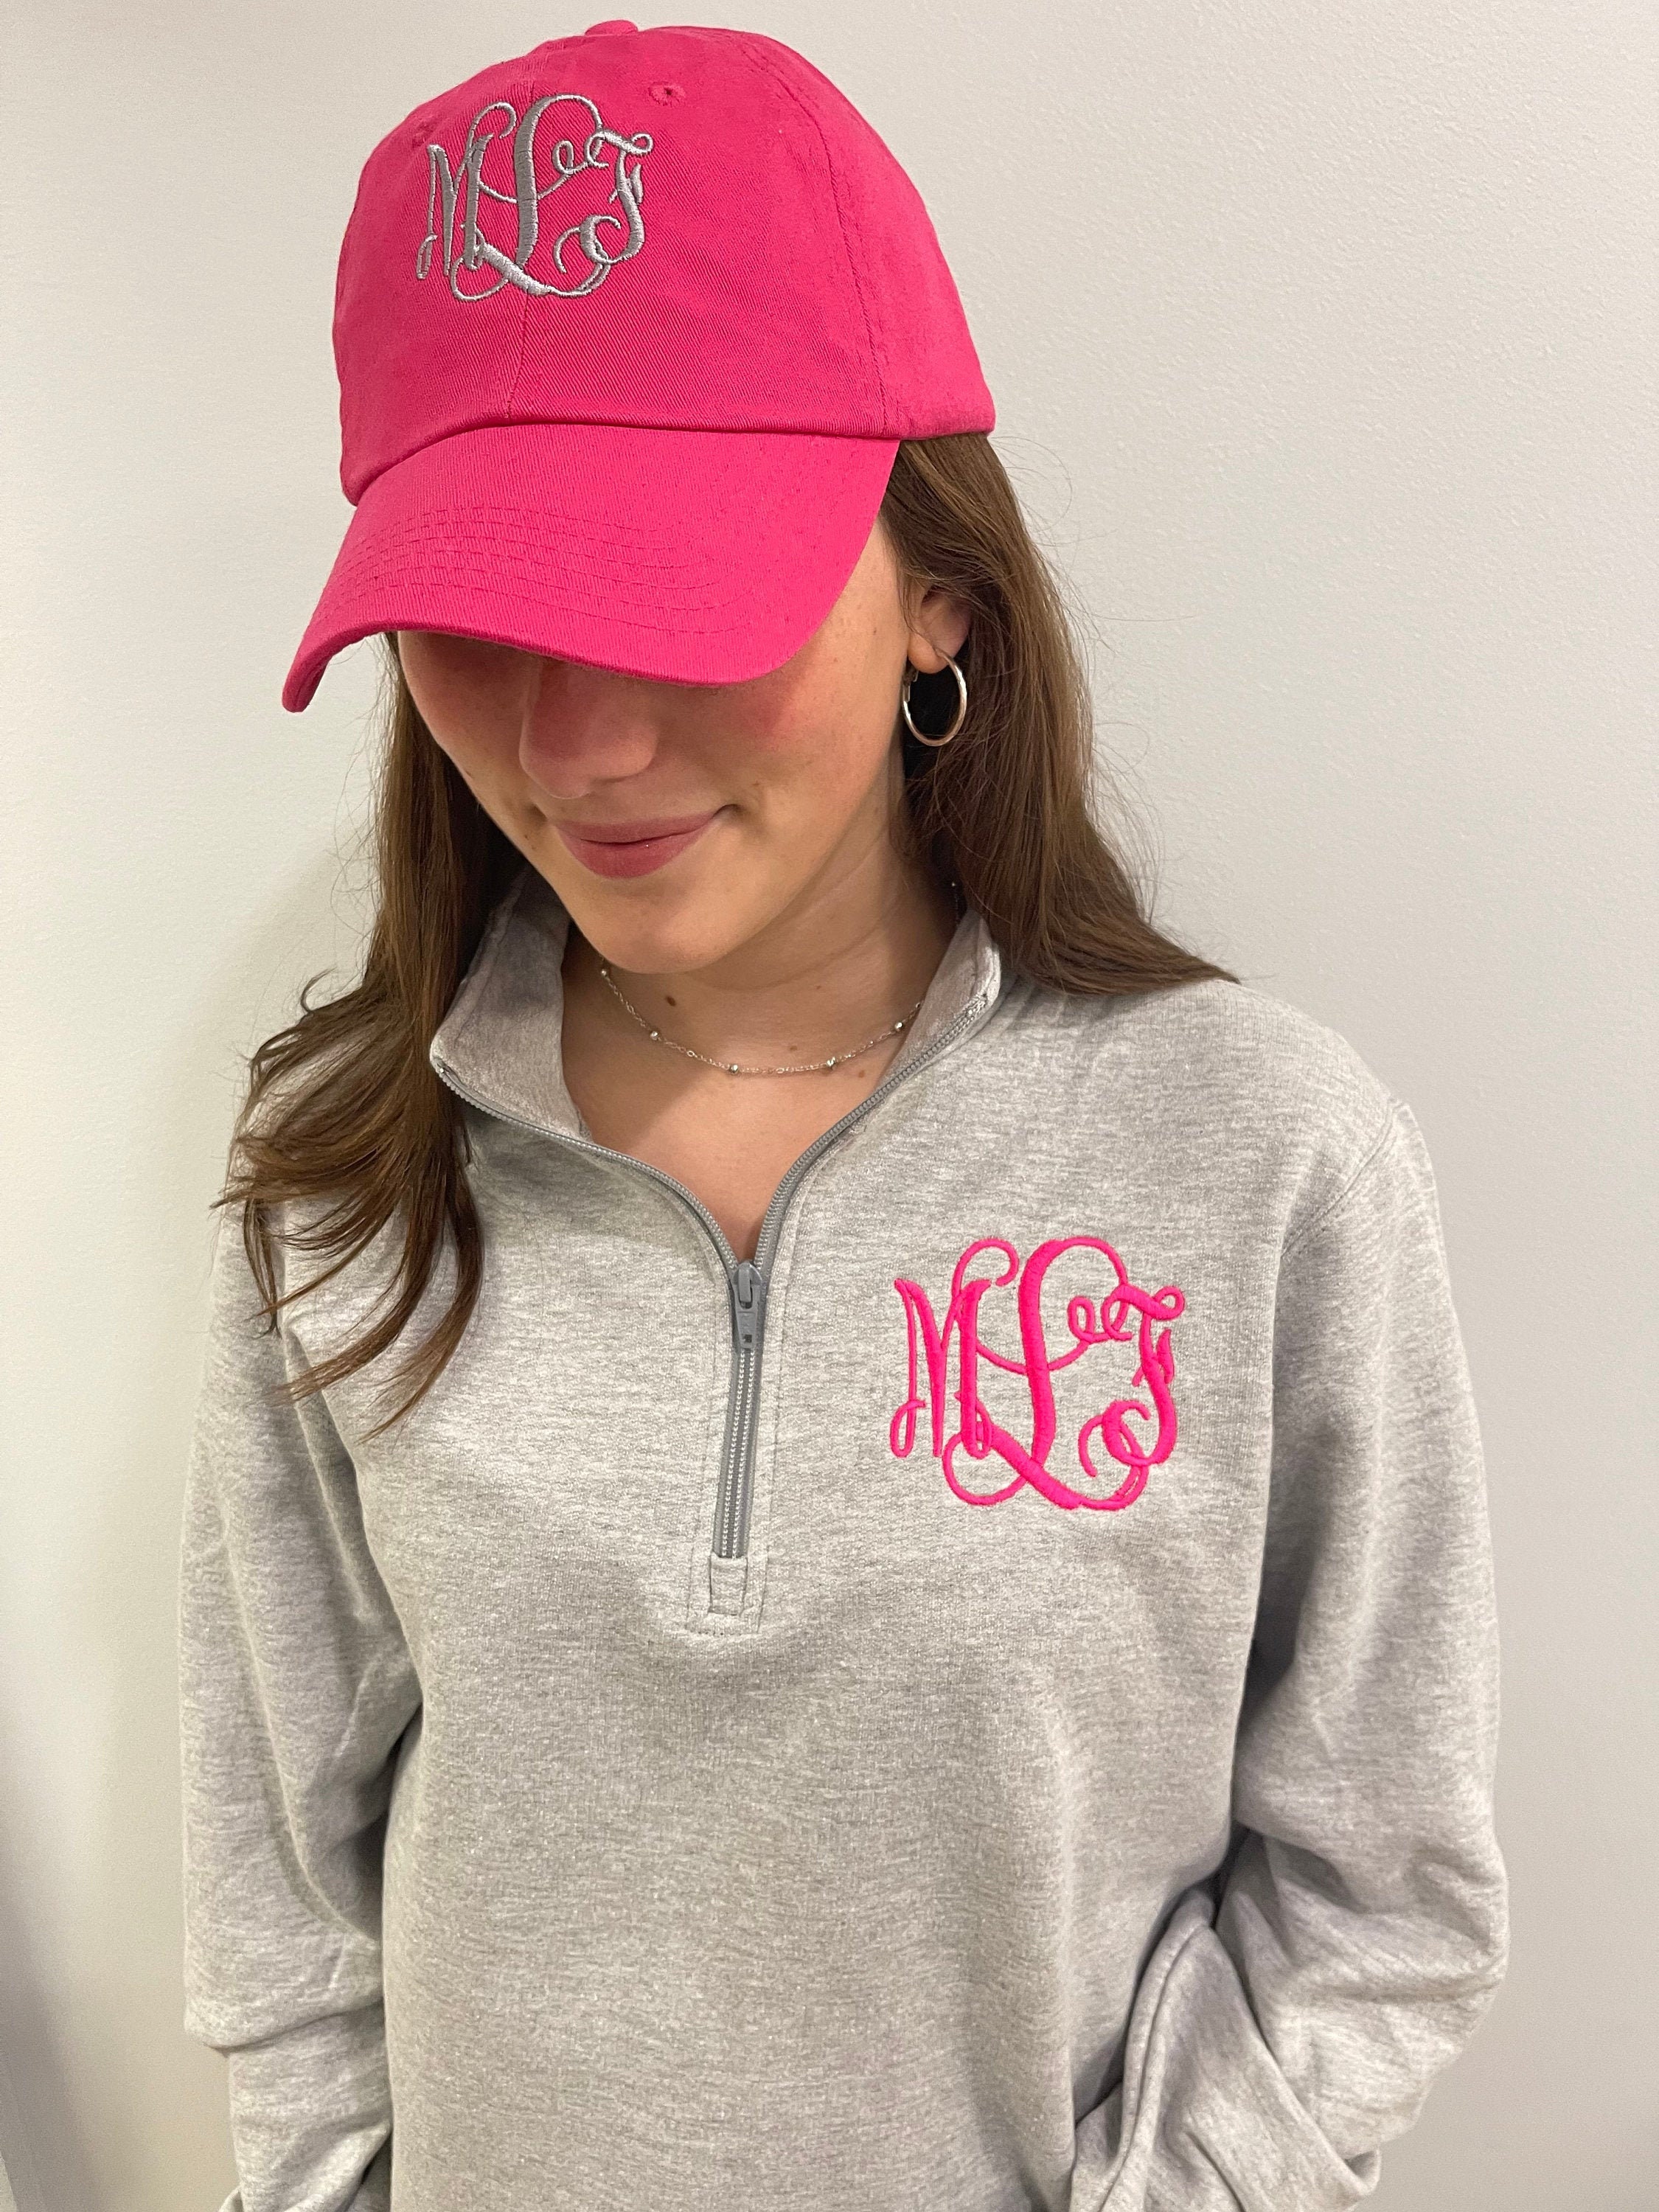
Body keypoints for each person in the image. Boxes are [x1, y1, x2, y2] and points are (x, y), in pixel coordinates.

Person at [176, 21, 1508, 2212]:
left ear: (939, 591)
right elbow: (282, 1899)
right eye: (480, 610)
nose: (580, 743)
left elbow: (1381, 1890)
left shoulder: (1259, 1156)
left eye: (673, 595)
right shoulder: (346, 1174)